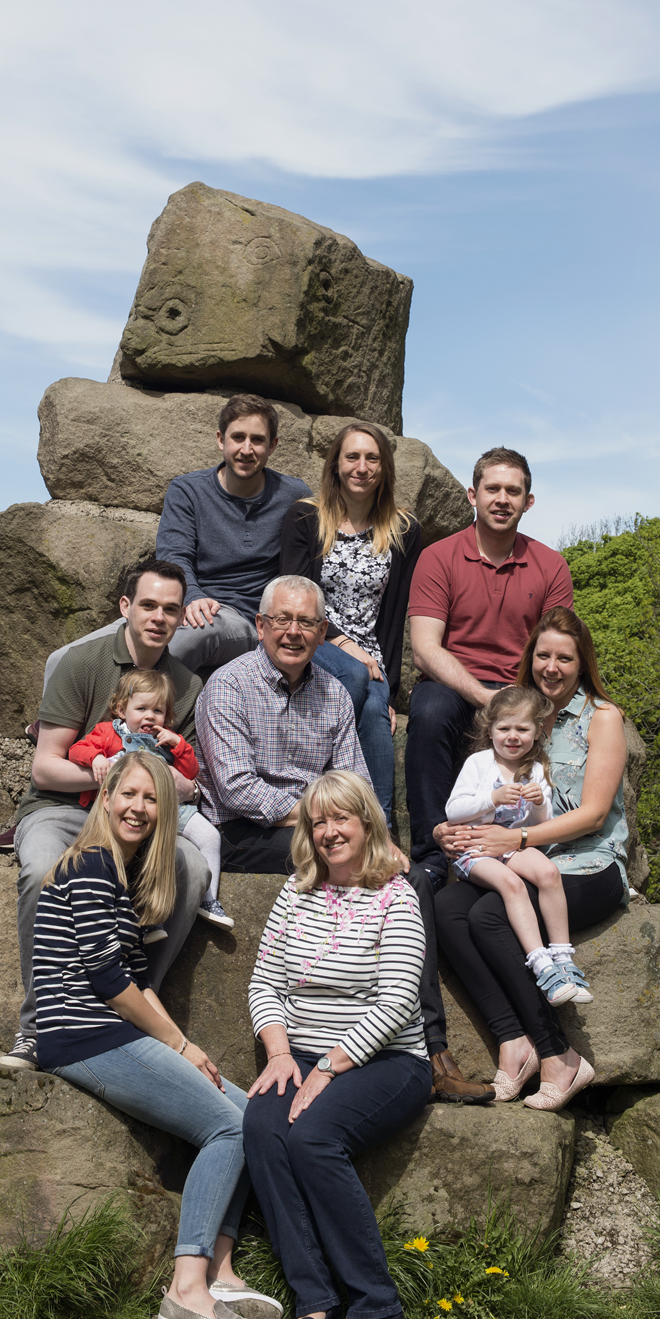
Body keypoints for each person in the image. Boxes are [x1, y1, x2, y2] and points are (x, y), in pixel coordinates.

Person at [196, 573, 492, 1105]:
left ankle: (432, 1053)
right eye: (281, 620)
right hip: (245, 832)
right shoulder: (227, 686)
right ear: (261, 626)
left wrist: (373, 836)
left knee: (411, 877)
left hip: (322, 827)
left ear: (322, 630)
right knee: (363, 869)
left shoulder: (333, 693)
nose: (293, 632)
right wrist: (326, 824)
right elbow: (238, 790)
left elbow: (355, 782)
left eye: (306, 622)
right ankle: (414, 1049)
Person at [32, 749, 281, 1319]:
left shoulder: (123, 877)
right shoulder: (91, 865)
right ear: (106, 797)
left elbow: (141, 979)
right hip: (82, 1035)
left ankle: (220, 1269)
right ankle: (184, 1291)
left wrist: (183, 1045)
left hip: (112, 1029)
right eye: (130, 795)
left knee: (252, 1114)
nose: (139, 808)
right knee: (227, 1128)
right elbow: (108, 982)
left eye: (152, 799)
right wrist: (180, 1045)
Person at [242, 771, 433, 1319]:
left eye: (340, 818)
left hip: (386, 1060)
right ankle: (315, 1294)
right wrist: (278, 1052)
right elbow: (263, 983)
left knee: (313, 1138)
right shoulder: (294, 893)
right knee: (262, 1127)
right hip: (296, 1052)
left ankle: (376, 1300)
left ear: (366, 822)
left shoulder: (396, 896)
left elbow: (400, 996)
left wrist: (329, 1065)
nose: (329, 832)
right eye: (318, 821)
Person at [0, 556, 210, 1071]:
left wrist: (159, 780)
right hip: (64, 807)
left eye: (170, 609)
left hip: (139, 816)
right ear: (125, 607)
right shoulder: (82, 664)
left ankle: (138, 1009)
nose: (158, 617)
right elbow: (46, 767)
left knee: (193, 869)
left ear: (182, 616)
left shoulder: (187, 685)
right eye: (148, 605)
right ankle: (39, 1027)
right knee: (42, 868)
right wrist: (104, 774)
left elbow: (190, 782)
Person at [433, 608, 631, 1111]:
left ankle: (557, 1054)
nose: (552, 666)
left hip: (589, 864)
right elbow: (480, 793)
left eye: (565, 657)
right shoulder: (515, 717)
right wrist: (449, 831)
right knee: (448, 909)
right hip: (524, 858)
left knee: (488, 915)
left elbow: (593, 814)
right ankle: (512, 1042)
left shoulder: (602, 718)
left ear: (582, 662)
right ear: (530, 658)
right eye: (543, 655)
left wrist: (516, 842)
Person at [43, 395, 311, 683]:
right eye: (238, 437)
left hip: (243, 617)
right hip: (182, 605)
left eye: (257, 440)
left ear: (272, 446)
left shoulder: (293, 495)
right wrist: (193, 597)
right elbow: (174, 554)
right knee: (62, 659)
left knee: (182, 643)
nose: (246, 449)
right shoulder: (187, 491)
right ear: (221, 440)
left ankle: (117, 722)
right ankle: (52, 726)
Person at [405, 448, 573, 888]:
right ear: (472, 495)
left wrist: (532, 703)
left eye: (513, 491)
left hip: (522, 688)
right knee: (428, 711)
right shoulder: (438, 557)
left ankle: (538, 843)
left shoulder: (550, 565)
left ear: (528, 501)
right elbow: (424, 650)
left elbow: (556, 650)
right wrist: (484, 697)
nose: (502, 499)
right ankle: (432, 853)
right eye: (492, 489)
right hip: (456, 684)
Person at [279, 421, 422, 821]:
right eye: (352, 457)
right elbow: (295, 596)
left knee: (376, 707)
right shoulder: (305, 517)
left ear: (384, 467)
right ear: (336, 465)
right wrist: (342, 643)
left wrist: (390, 690)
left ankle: (381, 827)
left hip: (370, 654)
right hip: (310, 639)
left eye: (372, 458)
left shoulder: (404, 529)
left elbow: (394, 619)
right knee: (357, 678)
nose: (362, 467)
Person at [444, 684, 591, 1010]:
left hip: (514, 847)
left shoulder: (536, 770)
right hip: (477, 849)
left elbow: (540, 828)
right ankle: (541, 965)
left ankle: (563, 960)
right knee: (512, 885)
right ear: (490, 729)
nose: (513, 736)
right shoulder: (479, 764)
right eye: (504, 728)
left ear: (537, 732)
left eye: (522, 729)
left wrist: (540, 803)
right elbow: (453, 811)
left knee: (549, 872)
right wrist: (491, 799)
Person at [67, 667, 232, 931]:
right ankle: (143, 917)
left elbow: (190, 772)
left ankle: (208, 899)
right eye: (141, 708)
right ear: (122, 710)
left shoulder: (165, 739)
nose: (149, 716)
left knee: (210, 837)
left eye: (158, 711)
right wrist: (95, 758)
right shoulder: (108, 732)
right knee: (138, 854)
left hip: (169, 808)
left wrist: (177, 743)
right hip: (128, 812)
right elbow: (77, 749)